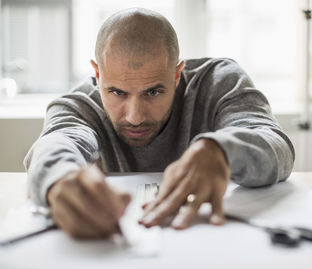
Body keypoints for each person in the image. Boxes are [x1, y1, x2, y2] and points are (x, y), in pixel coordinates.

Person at [24, 7, 295, 239]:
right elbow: (54, 144)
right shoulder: (79, 106)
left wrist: (222, 150)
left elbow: (276, 144)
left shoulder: (219, 82)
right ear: (97, 74)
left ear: (177, 74)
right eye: (117, 92)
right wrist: (59, 180)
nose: (135, 116)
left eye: (153, 92)